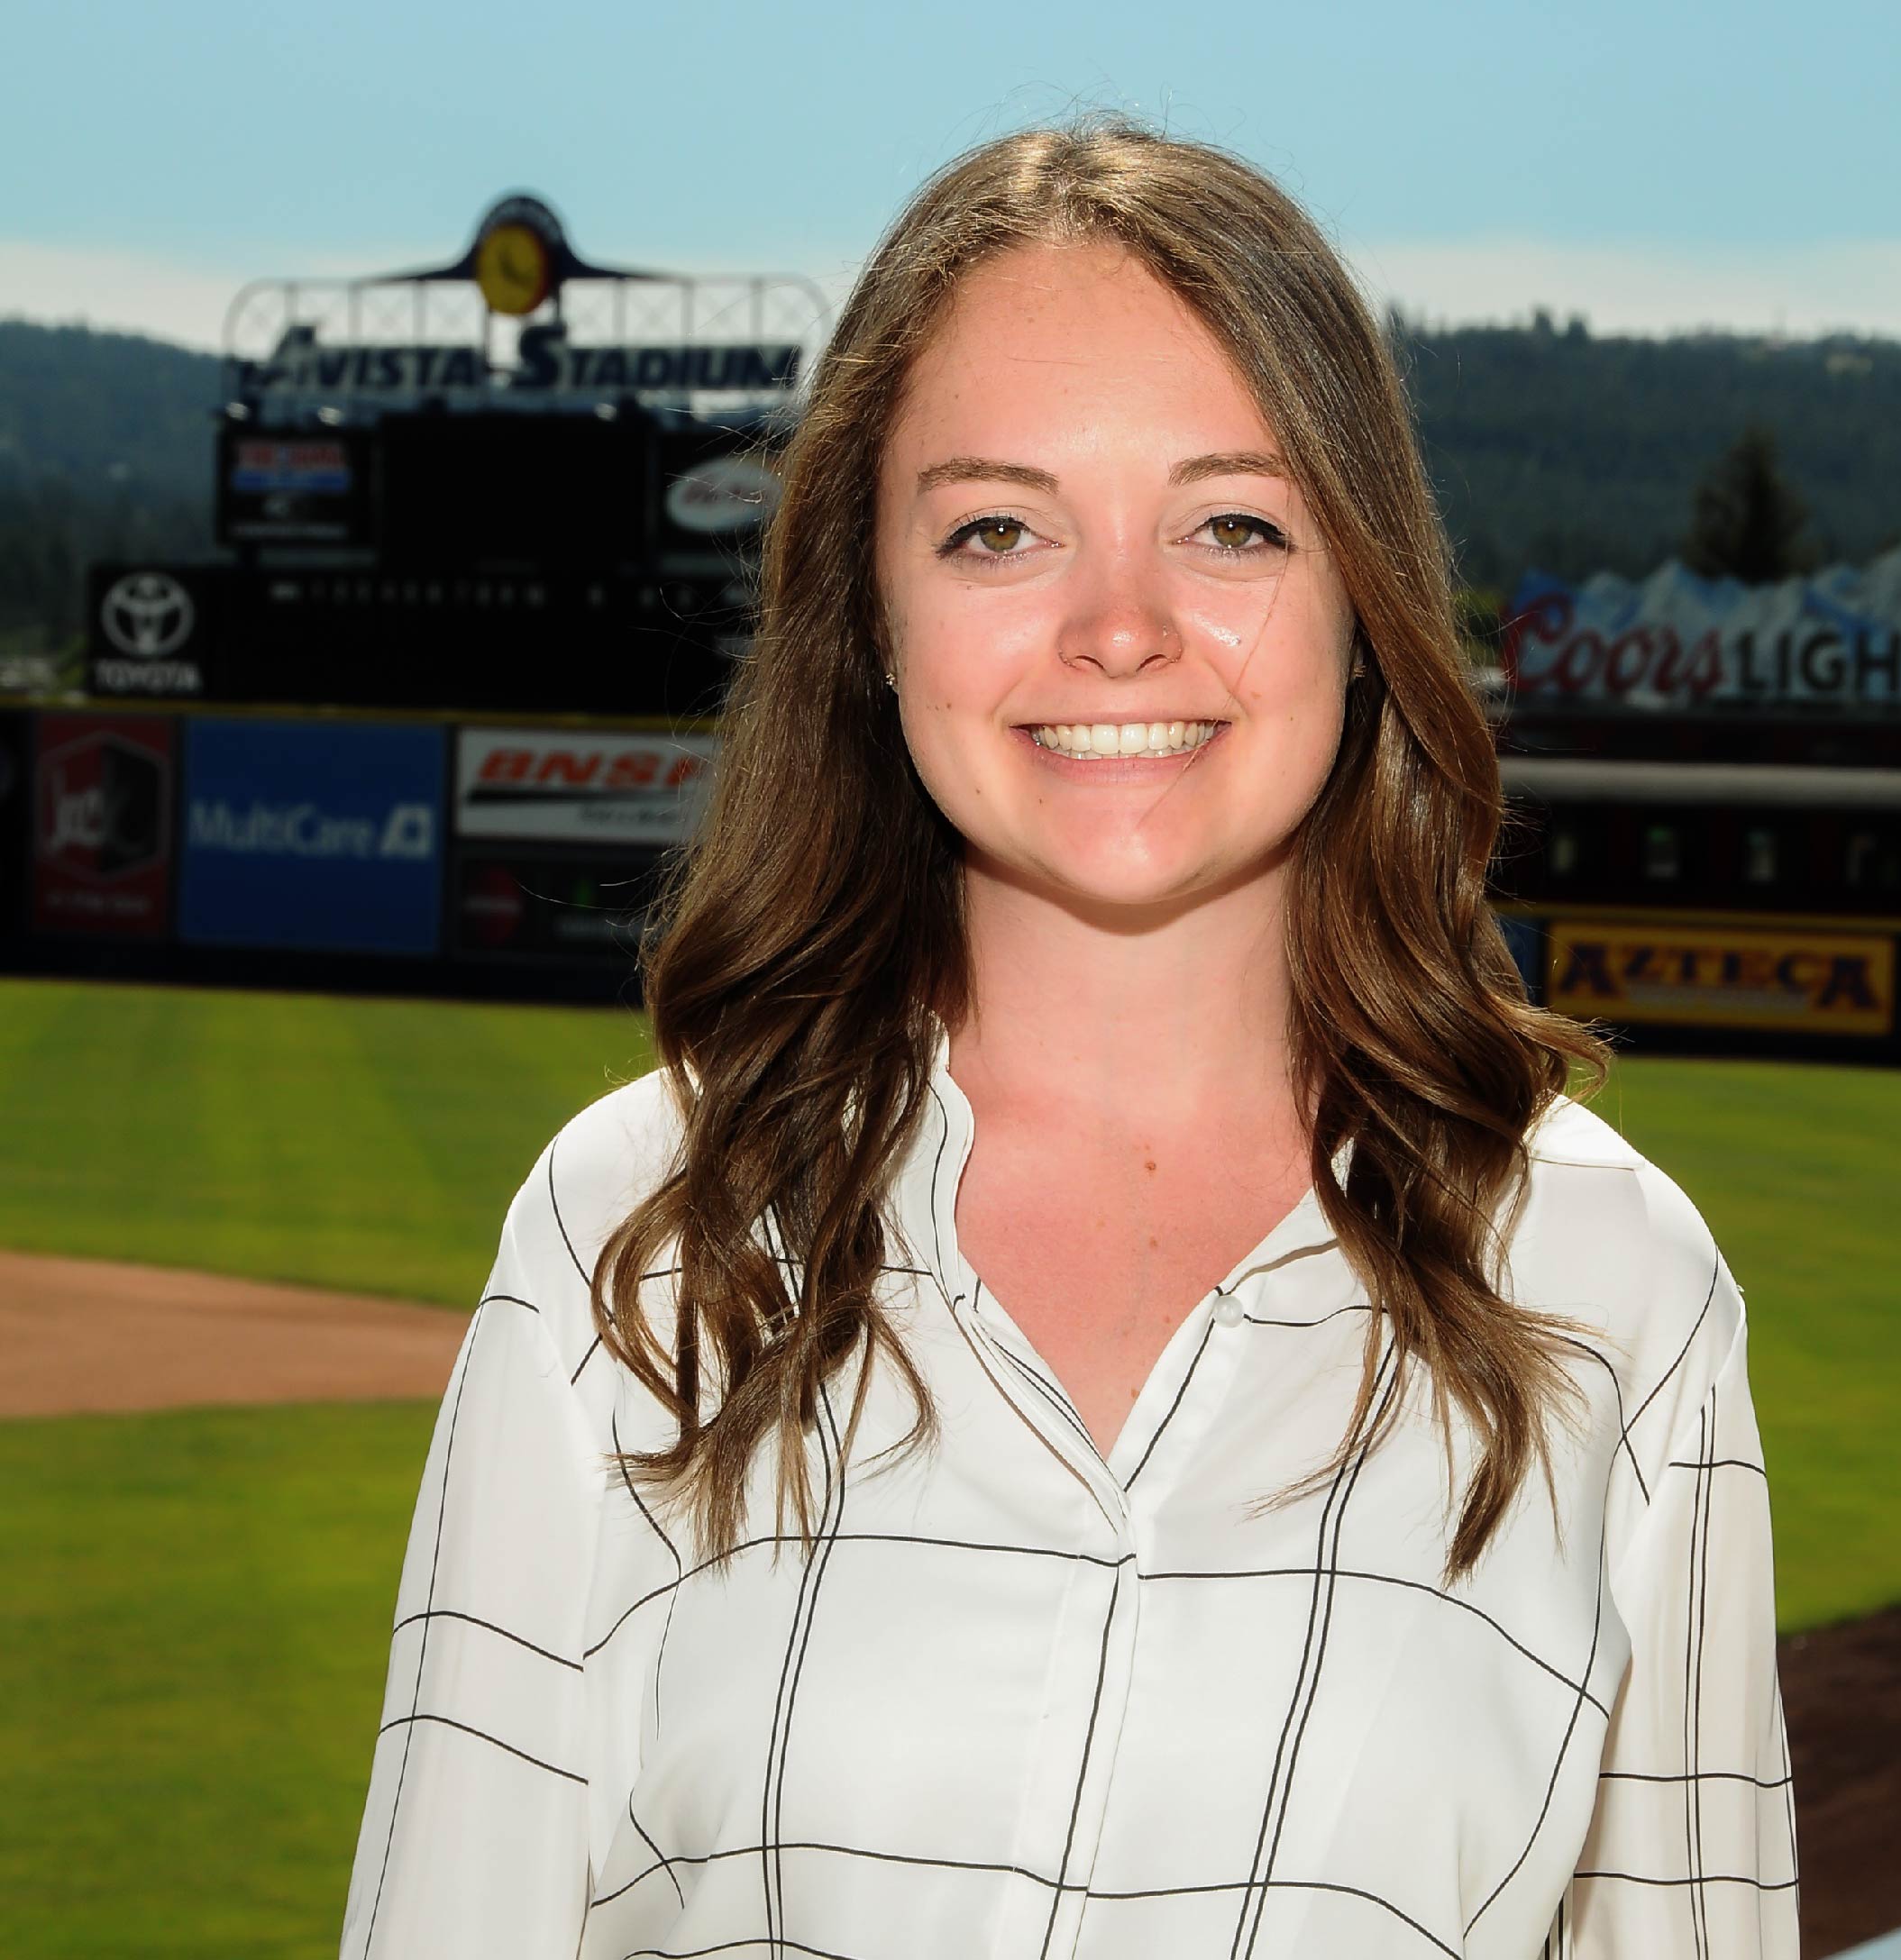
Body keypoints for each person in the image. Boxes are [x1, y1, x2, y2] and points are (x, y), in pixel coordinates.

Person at [341, 119, 1798, 1959]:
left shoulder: (1613, 1292)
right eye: (1000, 527)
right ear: (872, 610)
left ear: (1364, 598)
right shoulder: (642, 1231)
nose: (1119, 627)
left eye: (1234, 522)